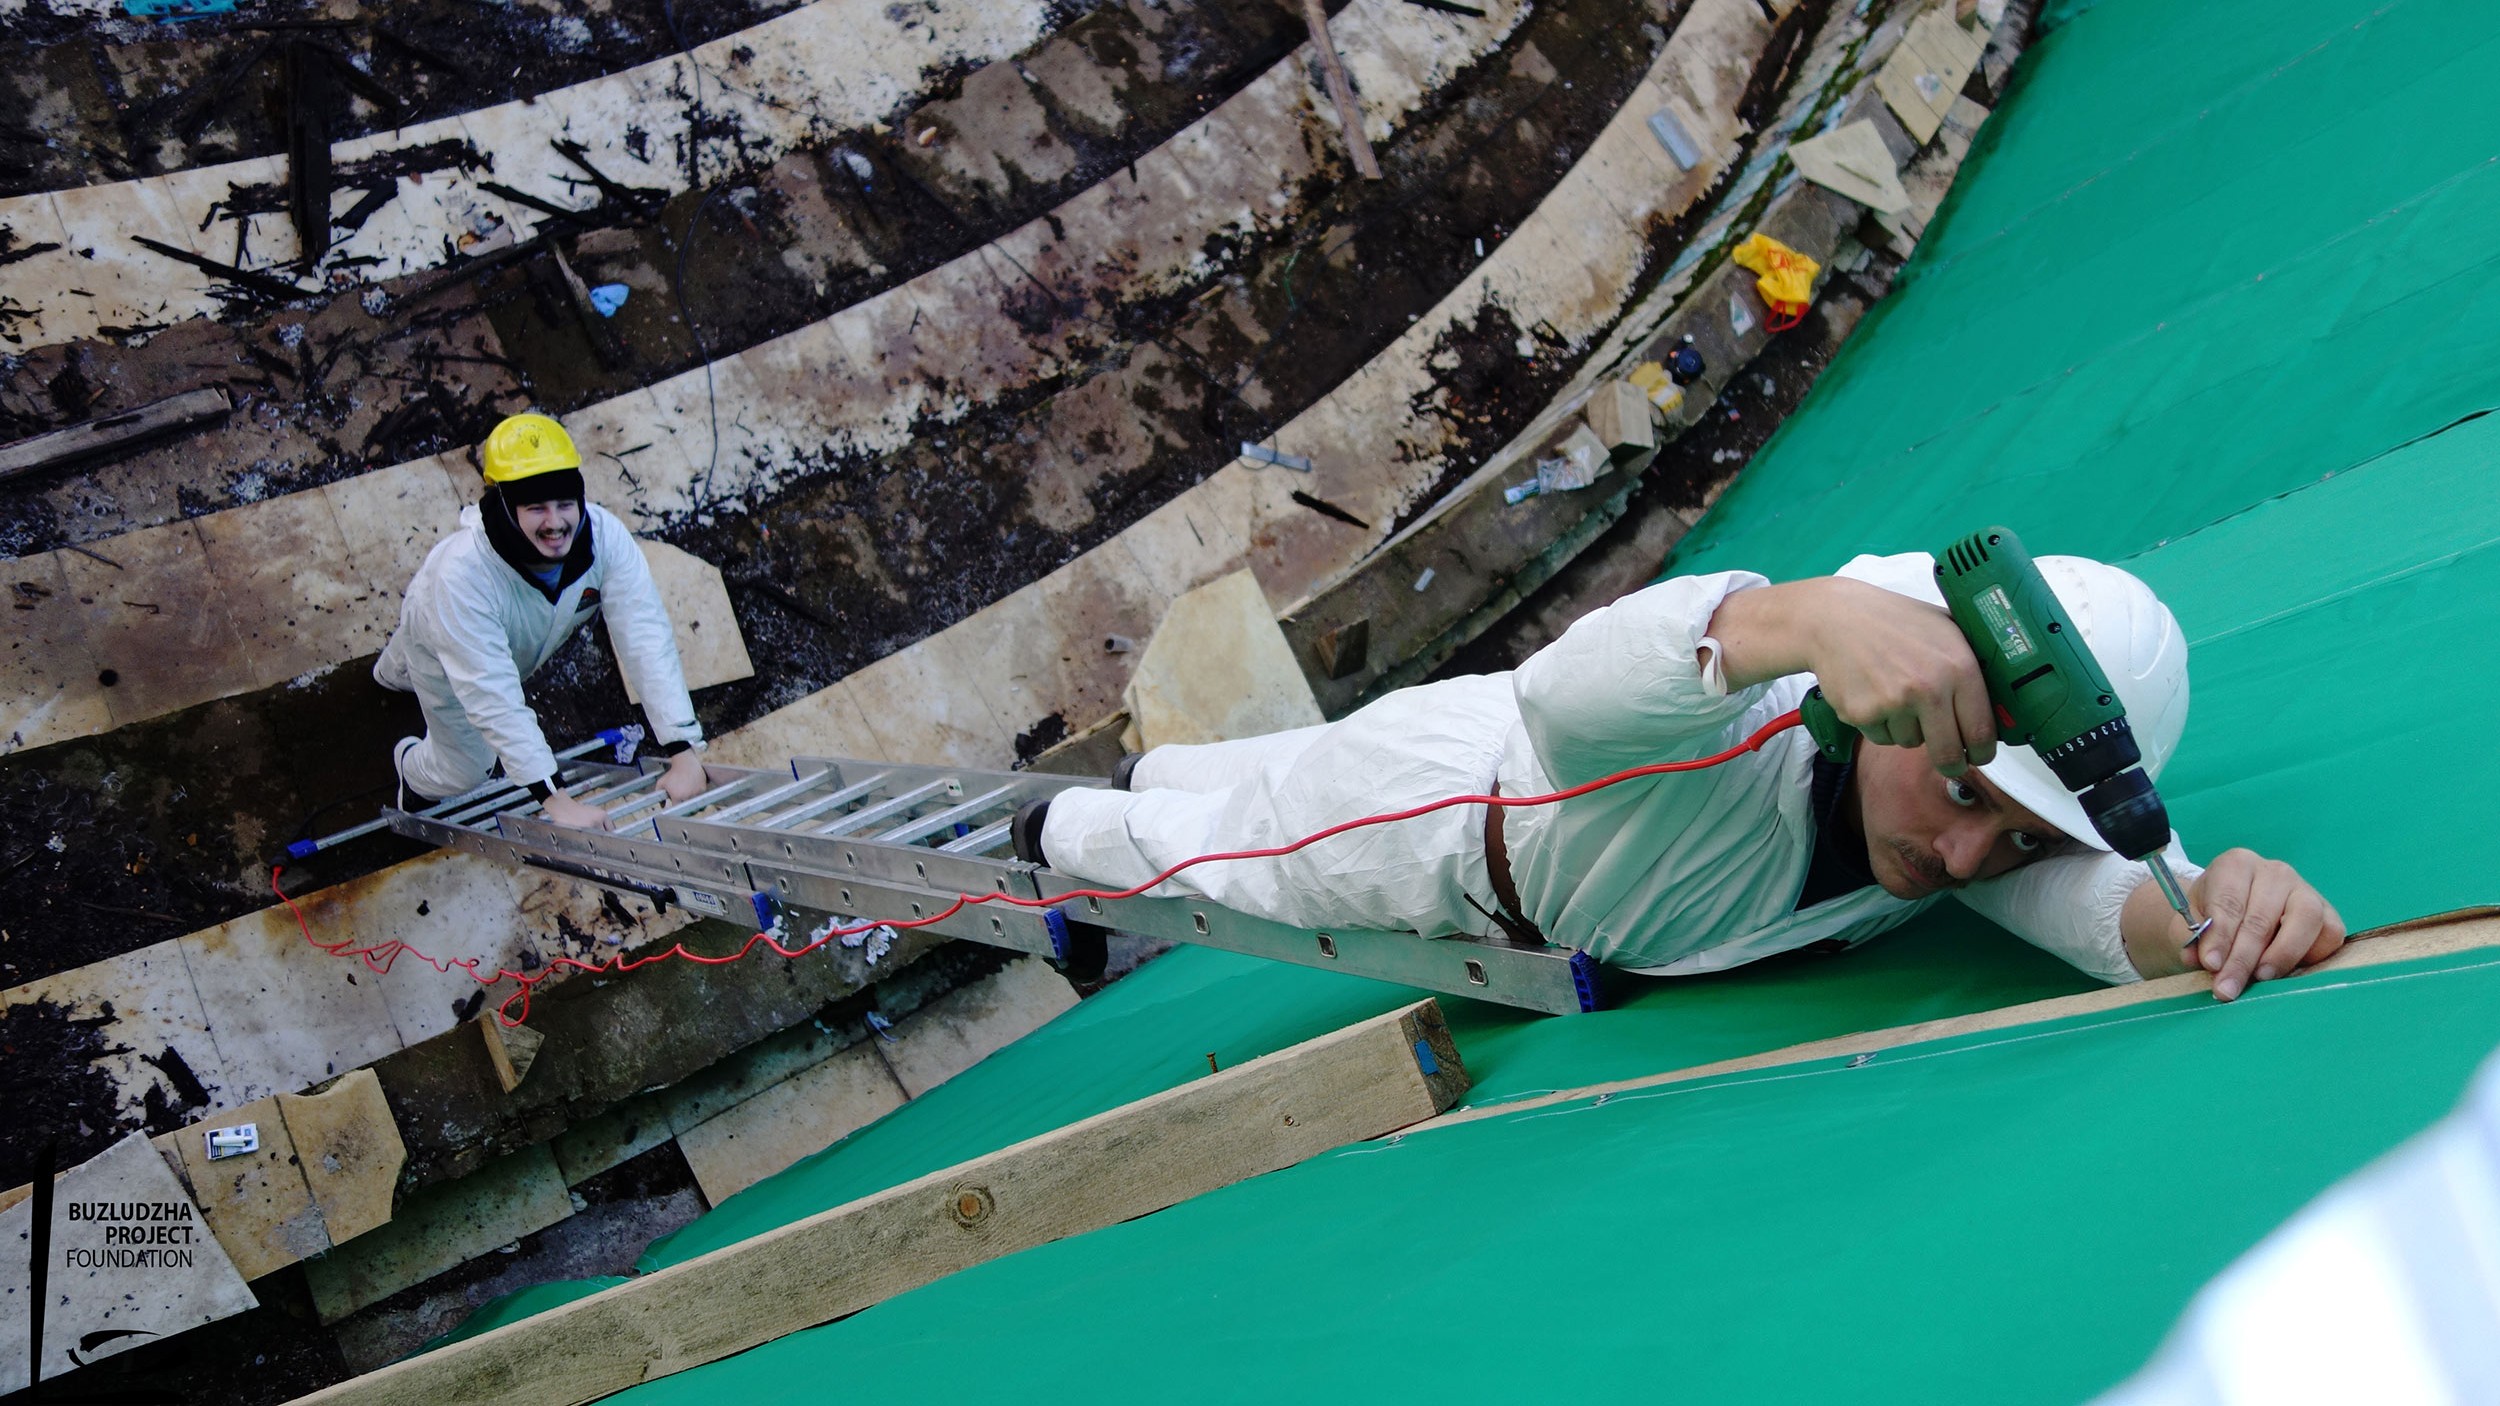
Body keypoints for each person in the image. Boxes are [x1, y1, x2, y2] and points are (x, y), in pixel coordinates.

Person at [1019, 552, 2344, 1000]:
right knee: (1240, 854)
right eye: (1960, 796)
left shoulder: (1974, 836)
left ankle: (1163, 763)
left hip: (1480, 779)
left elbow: (2101, 914)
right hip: (1434, 828)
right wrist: (1795, 616)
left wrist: (2220, 909)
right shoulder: (1750, 705)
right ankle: (1064, 821)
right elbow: (1568, 696)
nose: (1957, 862)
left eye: (2012, 837)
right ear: (1881, 702)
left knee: (1259, 773)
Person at [375, 412, 708, 830]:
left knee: (431, 659)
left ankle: (393, 674)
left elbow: (644, 634)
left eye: (565, 504)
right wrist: (554, 798)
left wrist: (682, 748)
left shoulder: (604, 537)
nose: (555, 523)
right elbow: (491, 695)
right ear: (506, 507)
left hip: (491, 642)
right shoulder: (461, 578)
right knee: (467, 767)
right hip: (444, 633)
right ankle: (411, 768)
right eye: (536, 508)